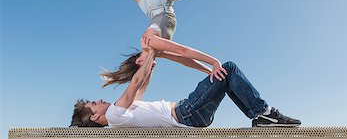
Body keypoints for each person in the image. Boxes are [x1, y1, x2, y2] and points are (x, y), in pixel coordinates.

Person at [75, 0, 273, 85]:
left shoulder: (151, 44)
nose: (151, 67)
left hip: (158, 2)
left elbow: (184, 51)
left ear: (139, 61)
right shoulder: (156, 51)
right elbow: (183, 59)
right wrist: (207, 71)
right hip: (150, 6)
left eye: (146, 67)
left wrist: (213, 62)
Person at [70, 53, 301, 128]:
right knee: (227, 68)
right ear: (95, 116)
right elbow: (132, 87)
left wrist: (150, 69)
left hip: (190, 114)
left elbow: (139, 91)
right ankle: (263, 113)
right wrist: (150, 51)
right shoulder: (113, 116)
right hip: (187, 112)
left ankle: (261, 116)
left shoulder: (121, 115)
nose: (99, 99)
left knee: (225, 77)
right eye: (93, 103)